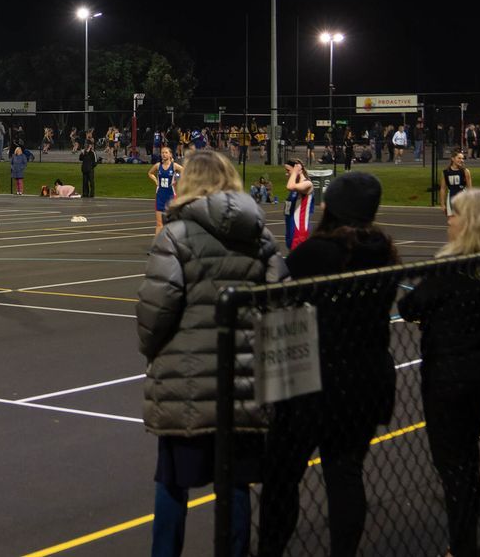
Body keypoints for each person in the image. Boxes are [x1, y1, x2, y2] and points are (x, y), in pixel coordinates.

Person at [137, 150, 287, 557]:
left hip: (184, 379)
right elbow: (280, 301)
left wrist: (152, 350)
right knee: (236, 484)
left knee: (173, 482)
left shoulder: (175, 235)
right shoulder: (260, 238)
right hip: (243, 377)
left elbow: (156, 309)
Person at [260, 172, 395, 557]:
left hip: (314, 378)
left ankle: (270, 547)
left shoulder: (317, 253)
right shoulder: (382, 250)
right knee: (345, 474)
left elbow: (279, 300)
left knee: (282, 475)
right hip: (366, 376)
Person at [398, 187, 480, 557]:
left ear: (471, 224)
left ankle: (461, 545)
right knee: (467, 459)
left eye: (456, 213)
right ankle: (463, 539)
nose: (449, 219)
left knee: (452, 464)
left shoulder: (450, 270)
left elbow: (410, 305)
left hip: (447, 375)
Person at [150, 146, 184, 234]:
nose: (164, 154)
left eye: (166, 153)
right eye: (162, 153)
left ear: (170, 155)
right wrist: (156, 181)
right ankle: (157, 242)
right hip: (160, 196)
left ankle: (173, 241)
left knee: (171, 223)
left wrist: (177, 180)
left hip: (170, 196)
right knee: (159, 224)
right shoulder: (158, 165)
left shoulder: (174, 166)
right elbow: (150, 173)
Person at [281, 160, 314, 249]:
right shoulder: (296, 186)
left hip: (299, 229)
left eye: (288, 171)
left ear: (298, 169)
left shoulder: (307, 184)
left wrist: (295, 172)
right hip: (290, 227)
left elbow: (289, 186)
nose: (286, 174)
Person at [443, 150, 472, 214]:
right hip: (451, 197)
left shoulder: (465, 171)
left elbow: (470, 188)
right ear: (453, 159)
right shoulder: (446, 172)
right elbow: (443, 188)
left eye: (462, 158)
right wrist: (442, 204)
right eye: (459, 158)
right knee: (452, 219)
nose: (462, 160)